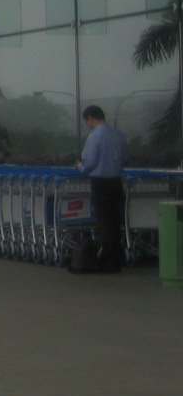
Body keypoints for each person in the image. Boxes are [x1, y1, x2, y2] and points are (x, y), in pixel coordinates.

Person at [75, 104, 127, 273]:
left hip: (100, 183)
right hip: (116, 182)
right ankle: (117, 259)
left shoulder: (95, 136)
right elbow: (125, 158)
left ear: (90, 118)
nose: (87, 125)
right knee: (115, 221)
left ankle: (107, 262)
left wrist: (80, 167)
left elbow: (89, 162)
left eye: (86, 121)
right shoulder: (118, 134)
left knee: (105, 222)